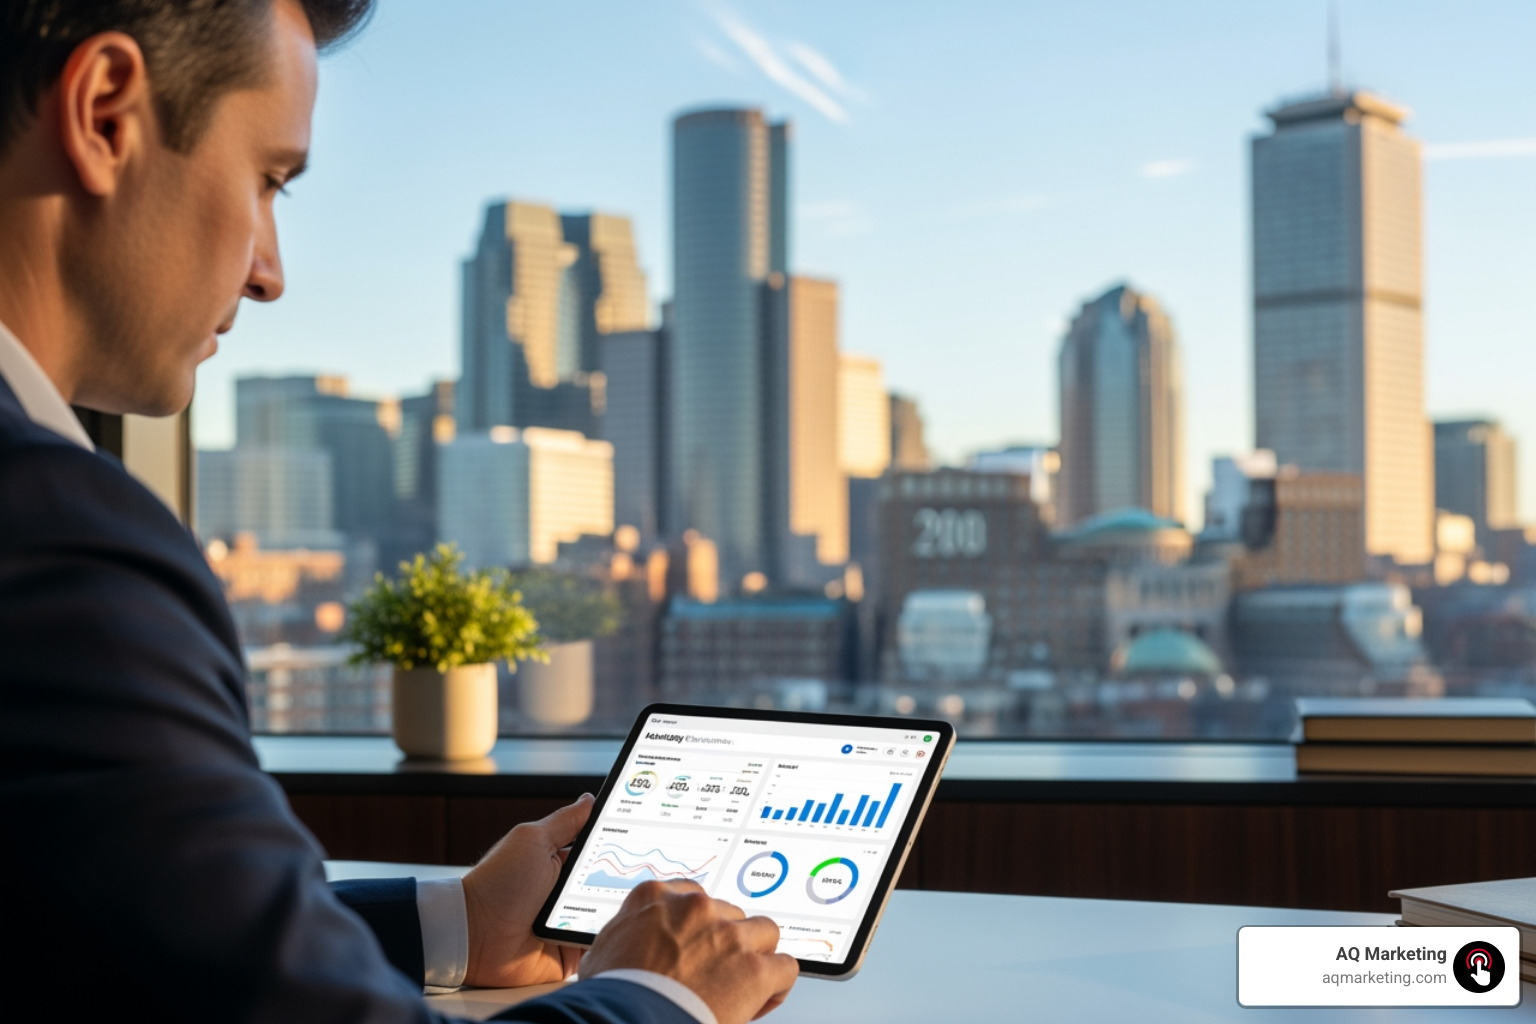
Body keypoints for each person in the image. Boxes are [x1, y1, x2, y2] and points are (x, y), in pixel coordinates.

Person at [0, 2, 800, 1022]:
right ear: (104, 114)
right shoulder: (53, 535)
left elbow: (98, 927)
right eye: (268, 179)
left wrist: (457, 921)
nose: (270, 272)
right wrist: (657, 992)